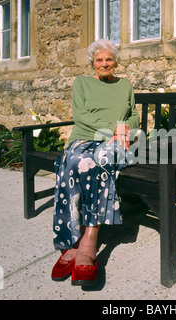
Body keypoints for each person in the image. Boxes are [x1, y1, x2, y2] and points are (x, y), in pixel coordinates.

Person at [51, 39, 140, 286]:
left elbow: (134, 115)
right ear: (93, 62)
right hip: (85, 138)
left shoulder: (125, 85)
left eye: (109, 59)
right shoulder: (82, 83)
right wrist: (112, 129)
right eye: (99, 60)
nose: (104, 64)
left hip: (116, 143)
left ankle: (89, 238)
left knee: (96, 163)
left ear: (116, 62)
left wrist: (125, 129)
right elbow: (80, 116)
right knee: (72, 162)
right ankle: (70, 239)